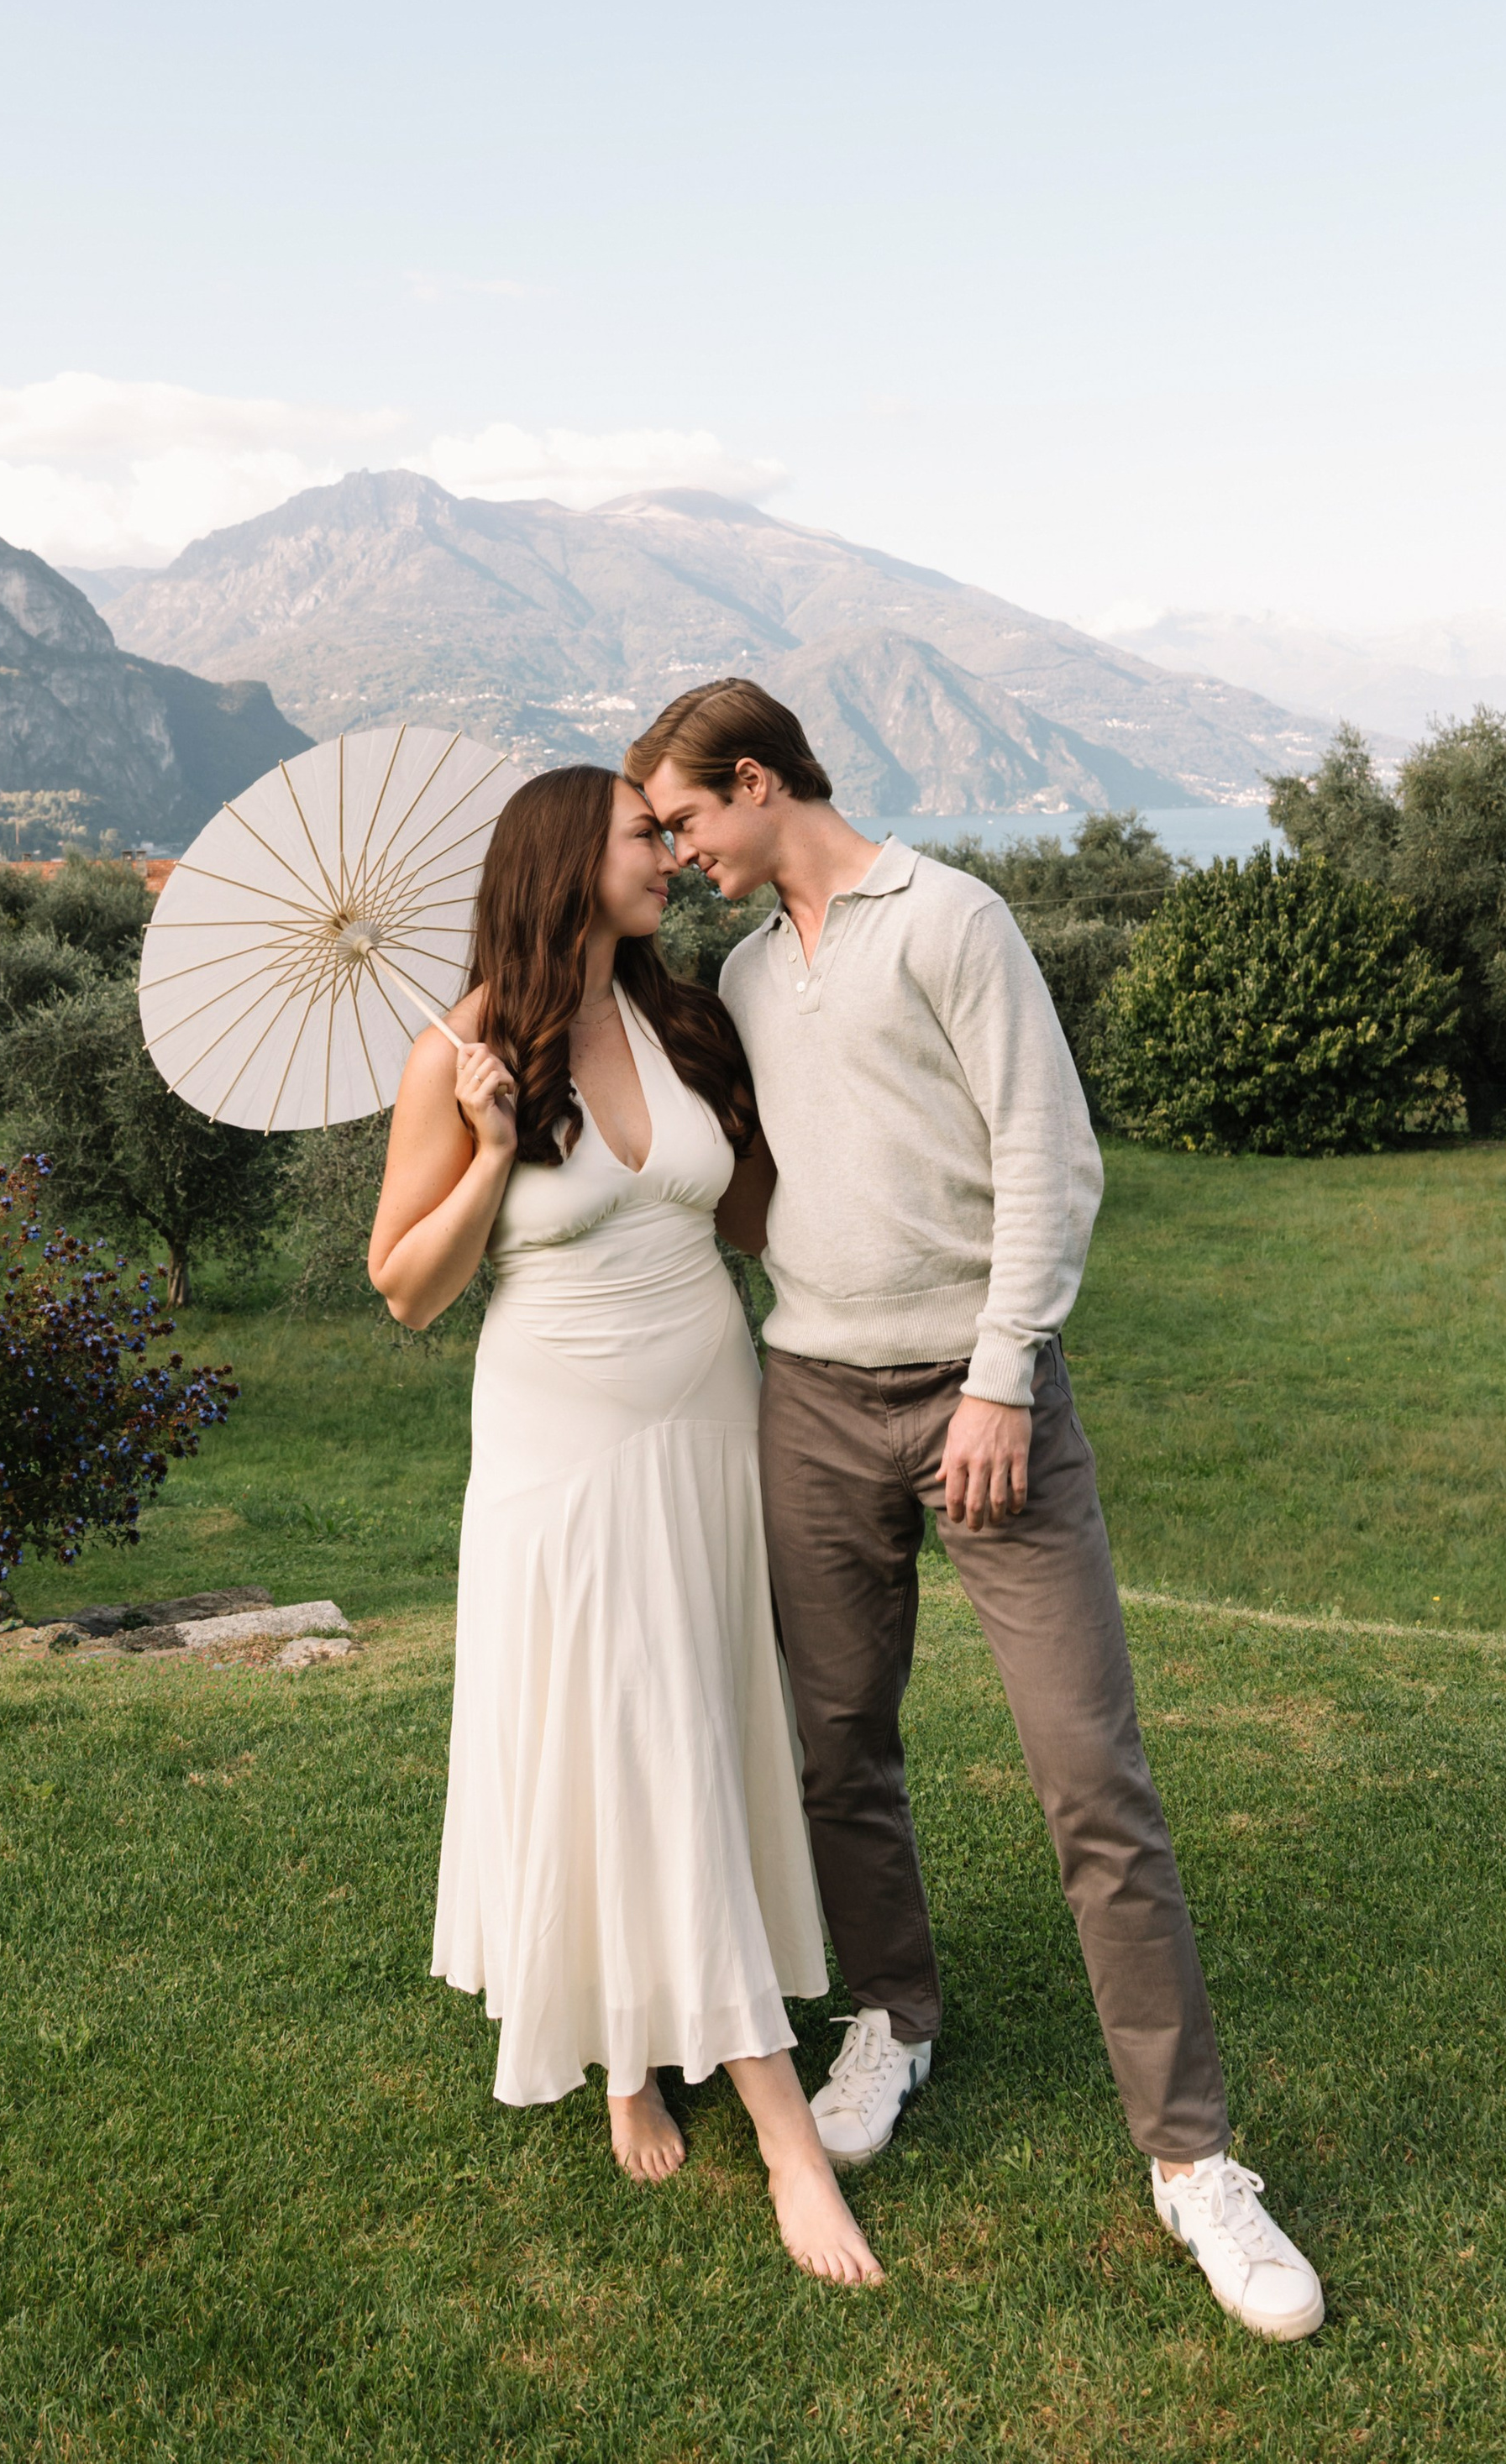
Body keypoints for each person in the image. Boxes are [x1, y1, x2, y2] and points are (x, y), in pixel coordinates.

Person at [628, 681, 1325, 2343]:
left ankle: (1191, 2163)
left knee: (1089, 1776)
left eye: (682, 823)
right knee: (834, 1746)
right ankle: (895, 2013)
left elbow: (1047, 1154)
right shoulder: (737, 970)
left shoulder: (950, 918)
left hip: (982, 1402)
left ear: (750, 781)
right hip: (807, 1399)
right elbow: (768, 1194)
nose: (677, 856)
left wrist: (1002, 1374)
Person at [368, 764, 883, 2287]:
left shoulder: (688, 1019)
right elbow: (407, 1289)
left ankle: (641, 2043)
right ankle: (784, 2139)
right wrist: (480, 1143)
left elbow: (741, 1210)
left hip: (714, 1423)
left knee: (699, 1734)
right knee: (633, 1730)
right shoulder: (455, 1052)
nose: (672, 852)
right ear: (558, 863)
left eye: (671, 831)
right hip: (565, 1448)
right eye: (643, 836)